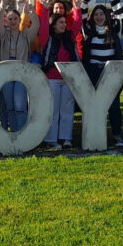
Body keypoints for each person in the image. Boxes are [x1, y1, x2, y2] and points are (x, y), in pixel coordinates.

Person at [79, 0, 123, 147]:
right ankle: (94, 135)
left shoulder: (115, 29)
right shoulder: (88, 29)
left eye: (102, 14)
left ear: (107, 15)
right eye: (97, 14)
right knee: (94, 106)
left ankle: (117, 135)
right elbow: (81, 14)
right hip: (93, 72)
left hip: (111, 72)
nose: (99, 16)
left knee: (114, 105)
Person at [0, 0, 40, 132]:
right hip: (5, 72)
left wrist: (30, 11)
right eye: (10, 19)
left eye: (15, 19)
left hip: (21, 73)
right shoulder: (3, 34)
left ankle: (21, 133)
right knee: (9, 107)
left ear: (19, 20)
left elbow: (36, 25)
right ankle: (12, 135)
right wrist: (2, 4)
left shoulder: (26, 35)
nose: (12, 21)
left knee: (19, 107)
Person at [39, 11, 81, 151]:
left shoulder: (69, 38)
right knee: (53, 111)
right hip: (52, 79)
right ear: (54, 25)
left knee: (67, 111)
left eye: (64, 22)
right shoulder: (48, 38)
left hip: (68, 79)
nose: (64, 25)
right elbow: (43, 26)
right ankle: (51, 140)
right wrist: (45, 9)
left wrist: (77, 7)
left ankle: (66, 138)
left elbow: (77, 24)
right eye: (60, 22)